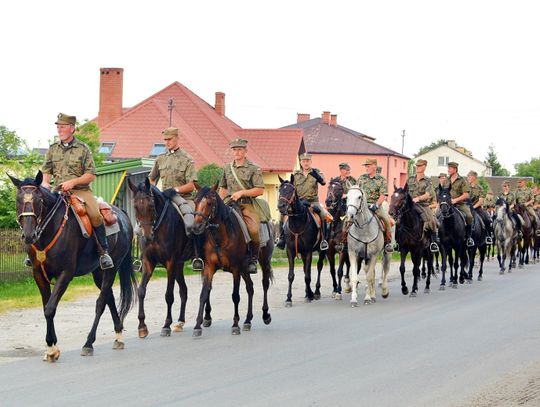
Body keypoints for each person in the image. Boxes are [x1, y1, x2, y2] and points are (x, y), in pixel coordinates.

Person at [41, 113, 113, 269]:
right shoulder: (53, 149)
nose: (59, 130)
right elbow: (46, 170)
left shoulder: (83, 149)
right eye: (58, 127)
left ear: (72, 128)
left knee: (95, 215)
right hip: (57, 191)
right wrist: (45, 184)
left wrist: (73, 181)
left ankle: (103, 252)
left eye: (63, 127)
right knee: (38, 211)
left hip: (81, 191)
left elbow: (91, 175)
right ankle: (35, 252)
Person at [148, 127, 200, 270]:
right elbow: (151, 179)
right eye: (165, 140)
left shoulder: (187, 159)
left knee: (192, 222)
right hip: (163, 198)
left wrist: (176, 189)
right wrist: (152, 191)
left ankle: (197, 256)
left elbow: (192, 185)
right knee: (141, 224)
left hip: (183, 197)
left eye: (169, 139)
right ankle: (144, 256)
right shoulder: (160, 159)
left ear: (177, 138)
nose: (167, 142)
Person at [219, 138, 264, 274]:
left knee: (254, 229)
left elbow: (260, 189)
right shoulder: (227, 168)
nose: (236, 152)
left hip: (246, 205)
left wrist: (242, 193)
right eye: (234, 149)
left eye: (239, 149)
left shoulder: (253, 168)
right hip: (229, 204)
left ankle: (253, 258)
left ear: (245, 151)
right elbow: (223, 187)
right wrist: (222, 200)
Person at [286, 153, 330, 251]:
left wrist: (318, 177)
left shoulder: (316, 172)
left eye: (307, 161)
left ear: (311, 162)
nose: (306, 163)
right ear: (301, 163)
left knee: (323, 215)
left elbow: (323, 182)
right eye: (304, 161)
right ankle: (282, 238)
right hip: (299, 202)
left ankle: (323, 240)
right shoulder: (295, 174)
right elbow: (291, 188)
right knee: (286, 215)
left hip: (313, 201)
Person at [356, 158, 393, 252]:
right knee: (348, 219)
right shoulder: (361, 178)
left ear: (374, 166)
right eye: (366, 166)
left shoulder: (381, 180)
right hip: (362, 206)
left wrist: (376, 205)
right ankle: (344, 242)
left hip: (375, 206)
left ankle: (388, 242)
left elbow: (383, 195)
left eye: (368, 166)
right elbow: (357, 191)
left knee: (386, 220)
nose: (366, 168)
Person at [406, 159, 439, 252]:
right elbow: (405, 191)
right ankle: (397, 242)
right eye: (416, 166)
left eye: (419, 166)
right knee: (399, 219)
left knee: (432, 221)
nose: (417, 167)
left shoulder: (428, 180)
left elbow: (428, 194)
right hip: (410, 205)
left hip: (423, 205)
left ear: (424, 167)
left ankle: (433, 242)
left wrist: (418, 198)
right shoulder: (410, 179)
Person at [447, 162, 474, 247]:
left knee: (469, 216)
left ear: (455, 169)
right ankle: (437, 237)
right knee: (436, 215)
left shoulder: (462, 180)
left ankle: (468, 237)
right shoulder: (446, 180)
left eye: (450, 168)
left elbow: (466, 195)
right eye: (448, 168)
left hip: (460, 204)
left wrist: (455, 200)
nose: (448, 170)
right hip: (447, 205)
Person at [467, 170, 492, 244]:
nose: (468, 178)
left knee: (487, 218)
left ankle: (488, 236)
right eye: (468, 176)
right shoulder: (466, 187)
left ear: (474, 177)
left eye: (469, 176)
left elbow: (481, 201)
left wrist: (473, 207)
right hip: (466, 208)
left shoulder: (479, 188)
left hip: (477, 208)